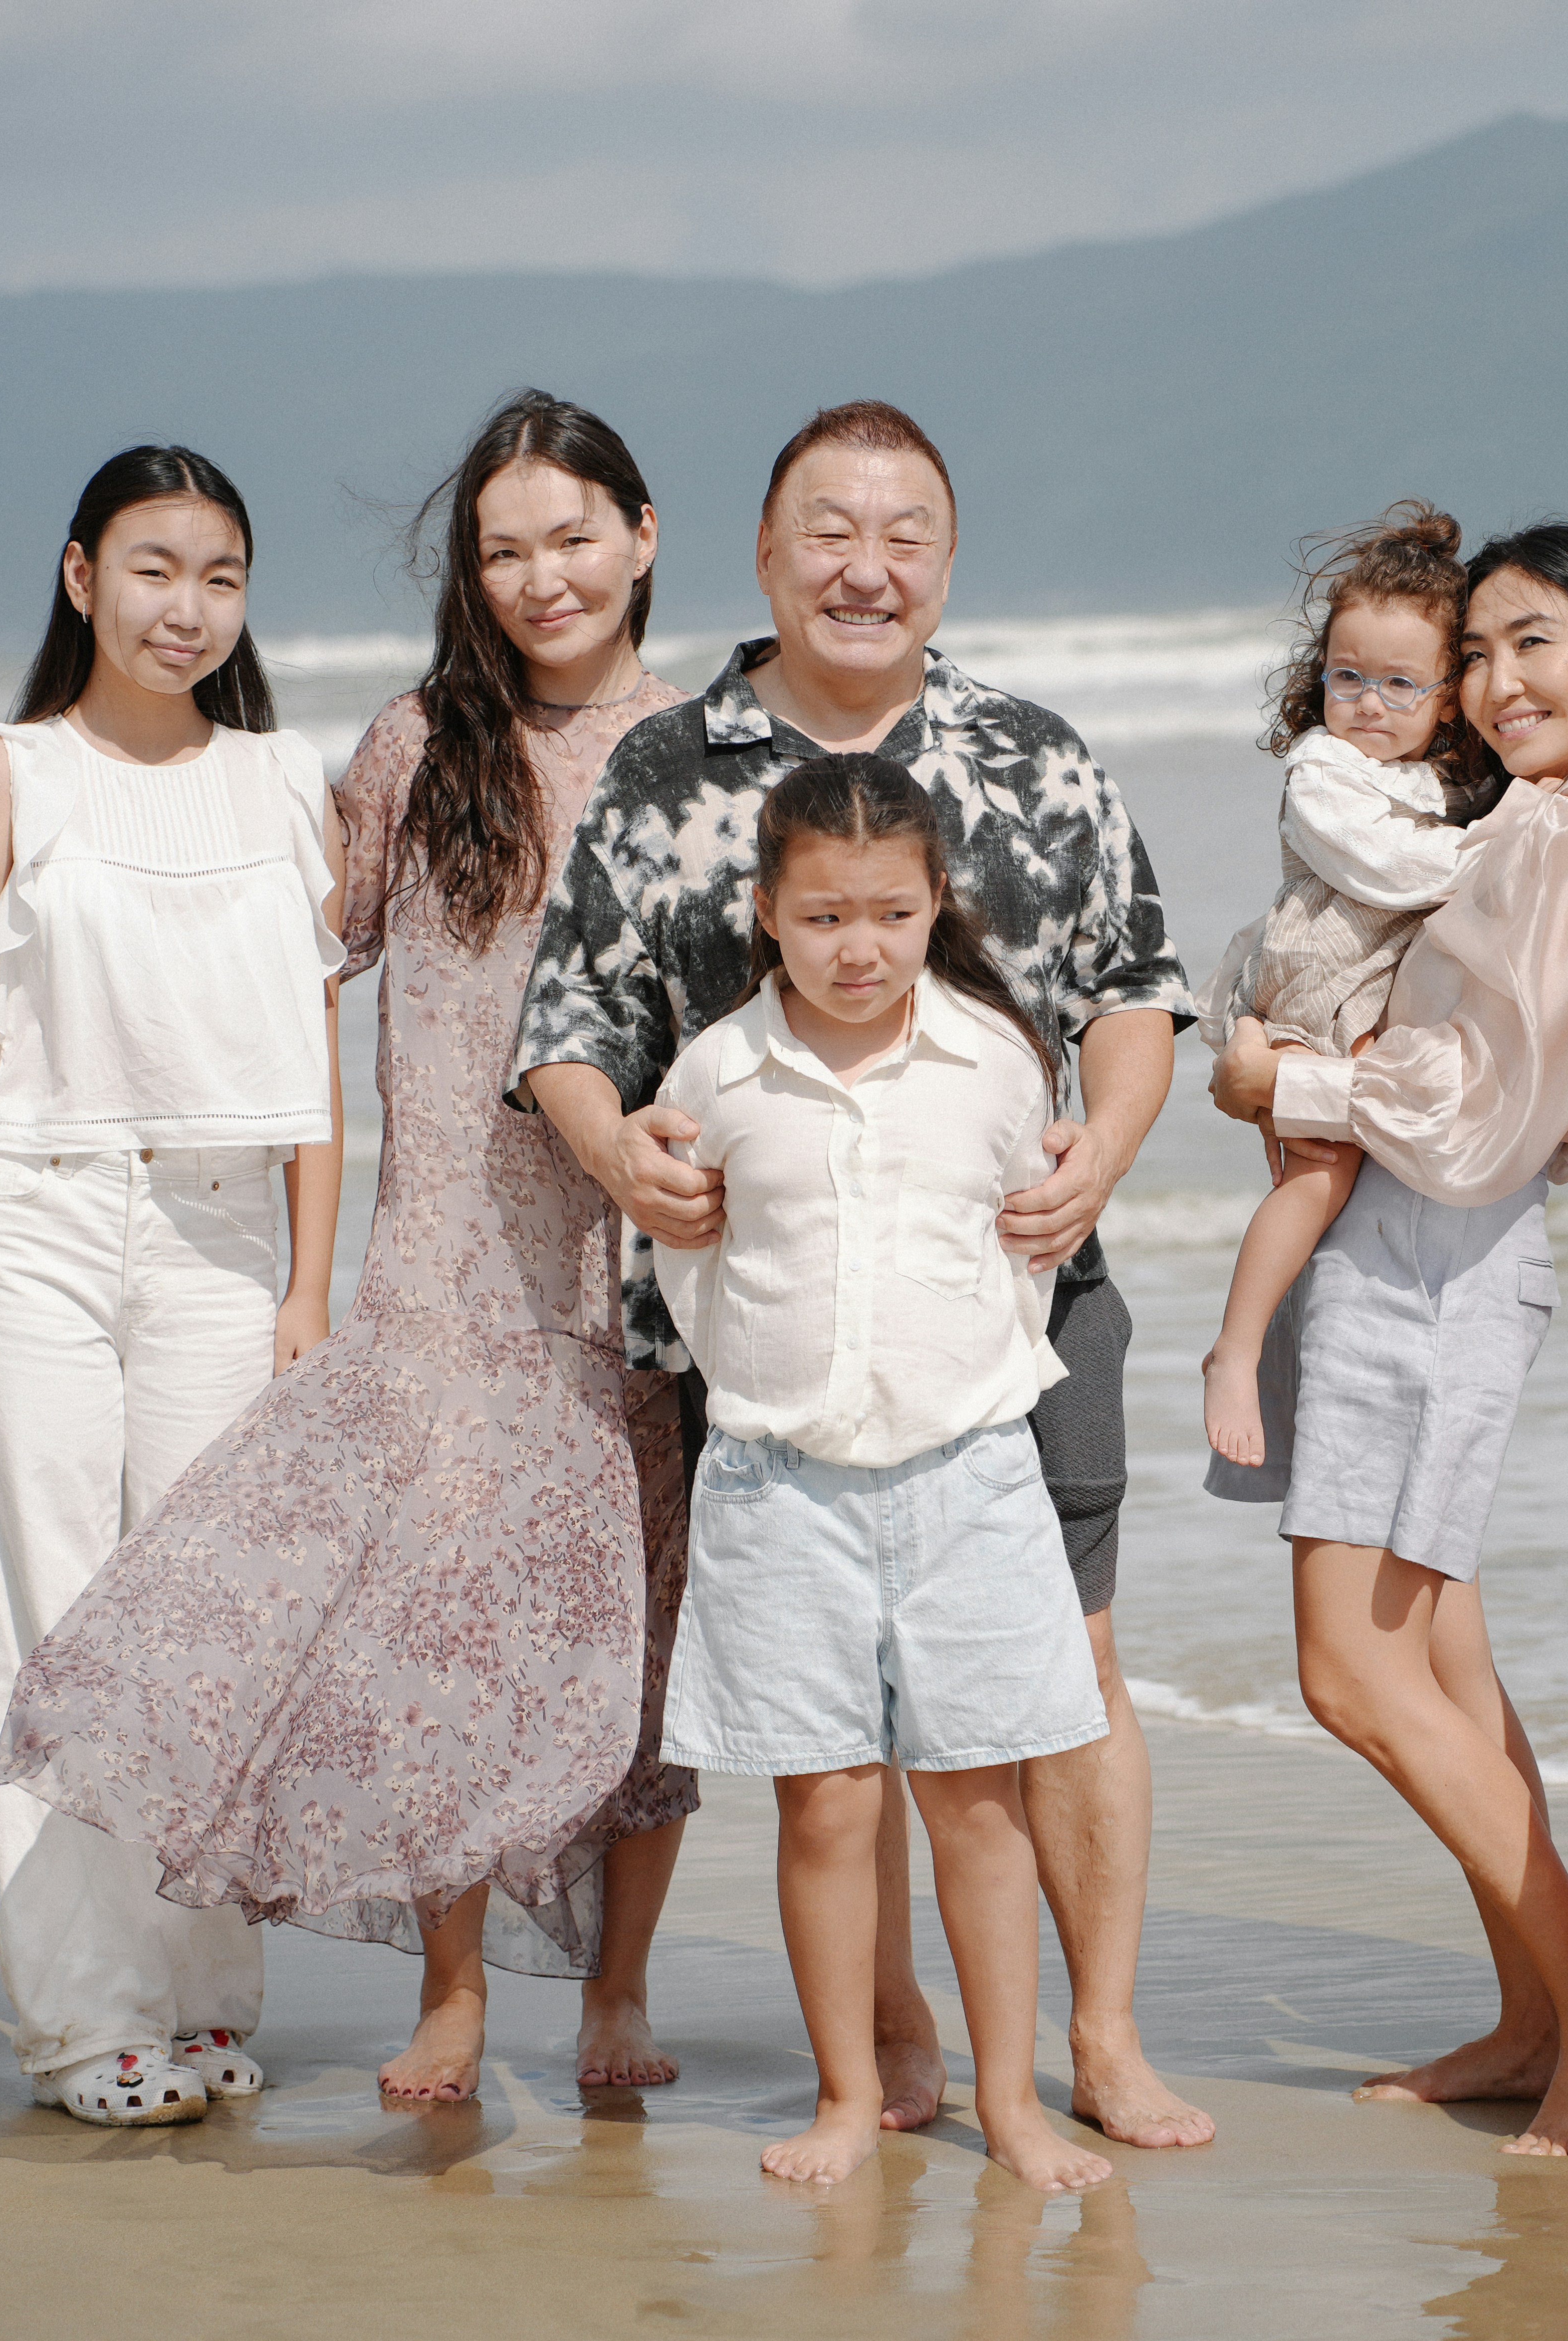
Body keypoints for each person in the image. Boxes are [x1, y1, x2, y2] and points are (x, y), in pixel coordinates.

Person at [514, 399, 1214, 2151]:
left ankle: (1102, 2040)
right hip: (760, 1339)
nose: (866, 563)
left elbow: (1136, 985)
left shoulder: (1035, 756)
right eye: (829, 526)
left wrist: (1101, 1153)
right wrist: (619, 1157)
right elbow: (573, 1026)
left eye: (905, 531)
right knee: (837, 1724)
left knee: (1061, 1673)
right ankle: (885, 2038)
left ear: (948, 562)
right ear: (760, 553)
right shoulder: (667, 770)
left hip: (1019, 1312)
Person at [0, 393, 703, 2099]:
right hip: (452, 1265)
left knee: (642, 1650)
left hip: (658, 1272)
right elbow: (286, 949)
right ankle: (448, 1996)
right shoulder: (412, 743)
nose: (540, 576)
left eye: (570, 536)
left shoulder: (704, 747)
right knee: (440, 1638)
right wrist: (22, 881)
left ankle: (618, 1991)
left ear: (641, 535)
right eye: (502, 547)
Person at [1209, 521, 1568, 2156]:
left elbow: (1477, 1113)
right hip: (1415, 1263)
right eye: (1481, 653)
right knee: (1437, 1661)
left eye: (1537, 647)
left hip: (1428, 1266)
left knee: (1349, 1673)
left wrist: (1274, 1084)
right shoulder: (1543, 824)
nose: (1500, 683)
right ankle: (1530, 2012)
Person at [0, 444, 345, 2127]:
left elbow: (314, 1051)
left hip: (227, 1237)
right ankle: (89, 2026)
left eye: (221, 575)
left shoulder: (286, 777)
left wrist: (311, 1282)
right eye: (153, 569)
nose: (188, 607)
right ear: (79, 574)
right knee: (53, 1616)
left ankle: (207, 1998)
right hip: (30, 1219)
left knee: (216, 1624)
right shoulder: (4, 776)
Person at [652, 754, 1118, 2194]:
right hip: (780, 1482)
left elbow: (1030, 1249)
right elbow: (692, 1266)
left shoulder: (995, 1056)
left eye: (894, 916)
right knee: (827, 1804)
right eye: (825, 917)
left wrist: (949, 1385)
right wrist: (781, 1396)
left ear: (935, 910)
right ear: (768, 914)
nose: (861, 948)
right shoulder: (719, 1069)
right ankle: (850, 2093)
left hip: (969, 1473)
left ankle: (1013, 2104)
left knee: (979, 1799)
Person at [1194, 504, 1488, 1468]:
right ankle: (1234, 1353)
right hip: (1316, 974)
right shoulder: (1324, 771)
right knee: (1323, 1172)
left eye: (1400, 684)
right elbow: (1386, 873)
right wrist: (1488, 856)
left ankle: (1292, 1354)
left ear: (1449, 696)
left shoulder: (1440, 778)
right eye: (1347, 677)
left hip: (1368, 986)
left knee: (1331, 1180)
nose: (1369, 703)